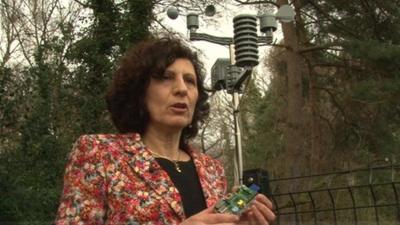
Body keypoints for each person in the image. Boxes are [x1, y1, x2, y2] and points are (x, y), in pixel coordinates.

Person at [55, 36, 275, 225]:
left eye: (190, 81)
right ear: (140, 92)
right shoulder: (99, 154)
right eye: (166, 78)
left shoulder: (212, 171)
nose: (181, 89)